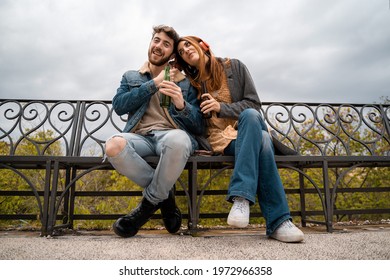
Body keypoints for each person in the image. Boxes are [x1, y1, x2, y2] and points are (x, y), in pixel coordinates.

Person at [174, 36, 304, 242]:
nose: (185, 50)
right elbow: (197, 125)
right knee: (262, 140)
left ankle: (242, 197)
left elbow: (253, 105)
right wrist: (183, 104)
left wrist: (221, 107)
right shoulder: (192, 85)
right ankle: (280, 222)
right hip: (221, 141)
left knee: (251, 117)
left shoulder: (234, 67)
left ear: (203, 46)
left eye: (188, 44)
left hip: (244, 128)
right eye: (180, 51)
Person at [104, 26, 204, 237]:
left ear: (172, 54)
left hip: (170, 136)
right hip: (139, 137)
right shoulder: (131, 76)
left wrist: (181, 104)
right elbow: (120, 105)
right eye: (156, 40)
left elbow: (198, 126)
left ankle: (143, 210)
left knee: (179, 140)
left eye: (166, 44)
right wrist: (153, 85)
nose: (159, 46)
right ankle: (165, 196)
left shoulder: (185, 83)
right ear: (151, 43)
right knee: (113, 145)